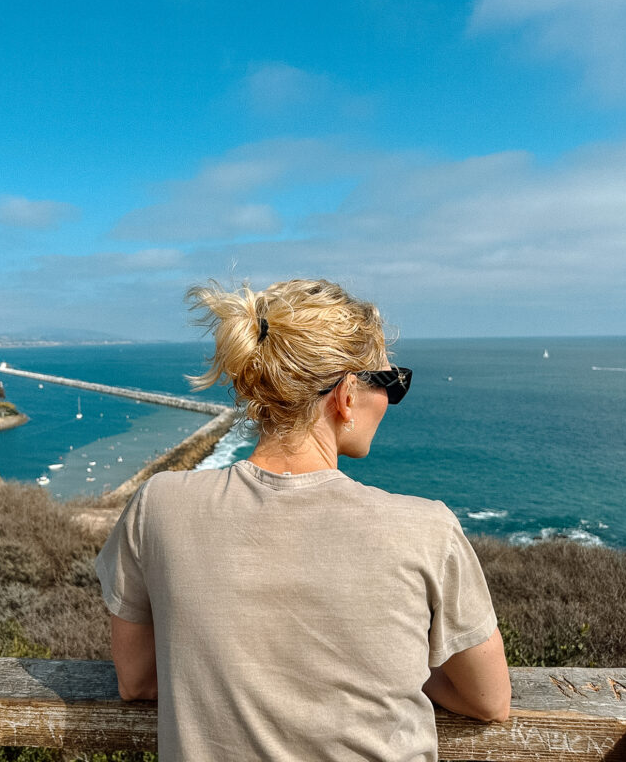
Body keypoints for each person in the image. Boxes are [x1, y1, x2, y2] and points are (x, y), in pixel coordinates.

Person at [96, 279, 510, 761]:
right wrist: (400, 667)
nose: (391, 398)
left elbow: (137, 680)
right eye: (391, 382)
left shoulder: (159, 505)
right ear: (347, 394)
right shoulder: (428, 530)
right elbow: (490, 700)